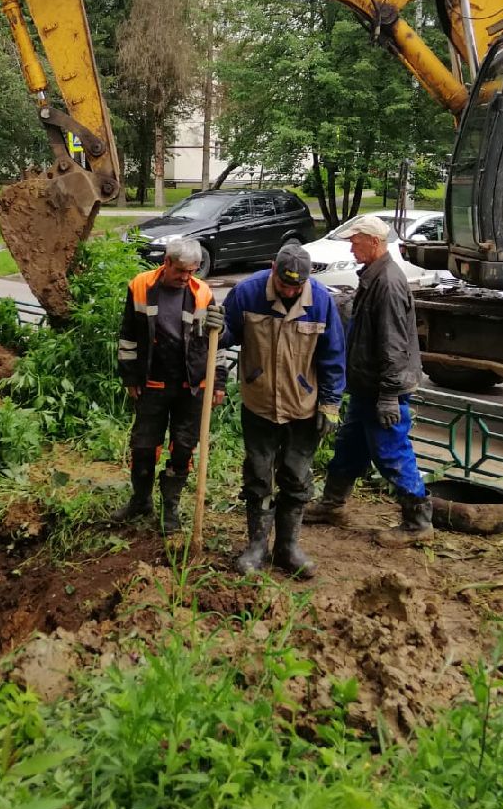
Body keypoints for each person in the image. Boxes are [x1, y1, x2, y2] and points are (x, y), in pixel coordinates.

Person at [218, 242, 346, 578]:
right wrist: (216, 328)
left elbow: (333, 356)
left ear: (307, 279)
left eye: (296, 286)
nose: (289, 291)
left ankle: (287, 548)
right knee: (259, 474)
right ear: (273, 270)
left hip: (302, 406)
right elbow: (227, 336)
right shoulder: (247, 293)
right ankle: (256, 547)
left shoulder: (321, 301)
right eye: (284, 284)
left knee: (296, 475)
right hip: (259, 404)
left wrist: (330, 403)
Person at [304, 214, 431, 547]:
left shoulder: (387, 282)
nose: (351, 248)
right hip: (367, 387)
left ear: (374, 242)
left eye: (355, 242)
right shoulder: (374, 275)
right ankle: (332, 504)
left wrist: (389, 395)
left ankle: (418, 521)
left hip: (382, 389)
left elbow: (393, 344)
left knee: (391, 452)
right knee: (350, 446)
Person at [115, 236, 227, 534]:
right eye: (180, 271)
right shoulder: (140, 286)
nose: (186, 277)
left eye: (192, 271)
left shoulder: (202, 293)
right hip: (152, 383)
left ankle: (170, 508)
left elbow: (214, 342)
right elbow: (128, 334)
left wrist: (218, 382)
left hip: (191, 386)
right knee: (143, 446)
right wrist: (130, 377)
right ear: (166, 262)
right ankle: (141, 501)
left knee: (183, 448)